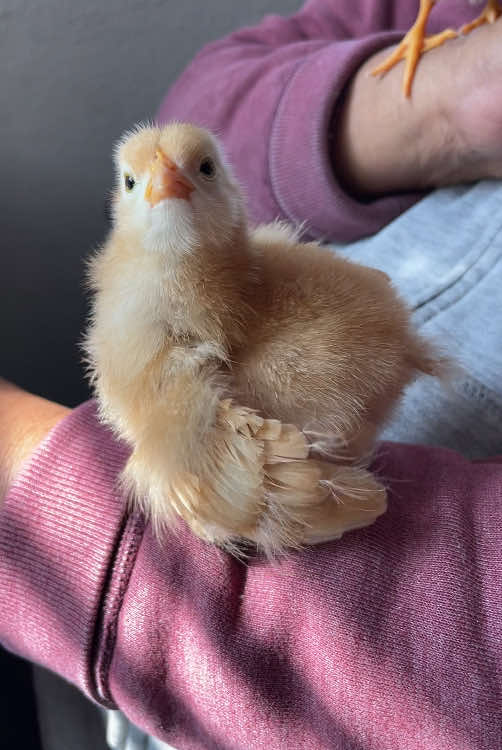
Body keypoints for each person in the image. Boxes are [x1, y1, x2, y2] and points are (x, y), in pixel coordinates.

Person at [2, 2, 502, 749]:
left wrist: (53, 501)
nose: (167, 184)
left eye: (191, 176)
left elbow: (253, 538)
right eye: (141, 184)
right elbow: (201, 105)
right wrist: (448, 104)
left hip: (239, 647)